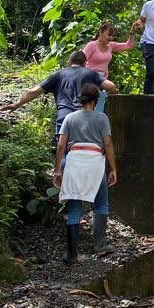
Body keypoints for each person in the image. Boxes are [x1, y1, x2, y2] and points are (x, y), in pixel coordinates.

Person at [55, 83, 118, 265]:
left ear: (81, 100)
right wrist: (113, 168)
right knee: (101, 204)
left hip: (74, 161)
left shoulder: (69, 118)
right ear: (95, 100)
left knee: (74, 208)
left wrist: (57, 170)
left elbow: (61, 146)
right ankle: (99, 244)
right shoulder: (101, 118)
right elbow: (107, 144)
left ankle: (72, 255)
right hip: (94, 163)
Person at [1, 51, 118, 147]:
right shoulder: (90, 74)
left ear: (69, 62)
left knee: (62, 149)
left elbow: (34, 91)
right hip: (85, 119)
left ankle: (60, 172)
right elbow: (111, 86)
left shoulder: (58, 75)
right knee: (85, 149)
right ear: (85, 63)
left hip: (64, 116)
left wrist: (17, 104)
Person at [83, 20, 137, 112]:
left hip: (102, 82)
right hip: (91, 80)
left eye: (112, 36)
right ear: (101, 32)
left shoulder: (110, 46)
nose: (110, 38)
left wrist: (132, 32)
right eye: (108, 34)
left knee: (100, 108)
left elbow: (129, 45)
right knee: (91, 107)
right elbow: (81, 60)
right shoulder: (91, 45)